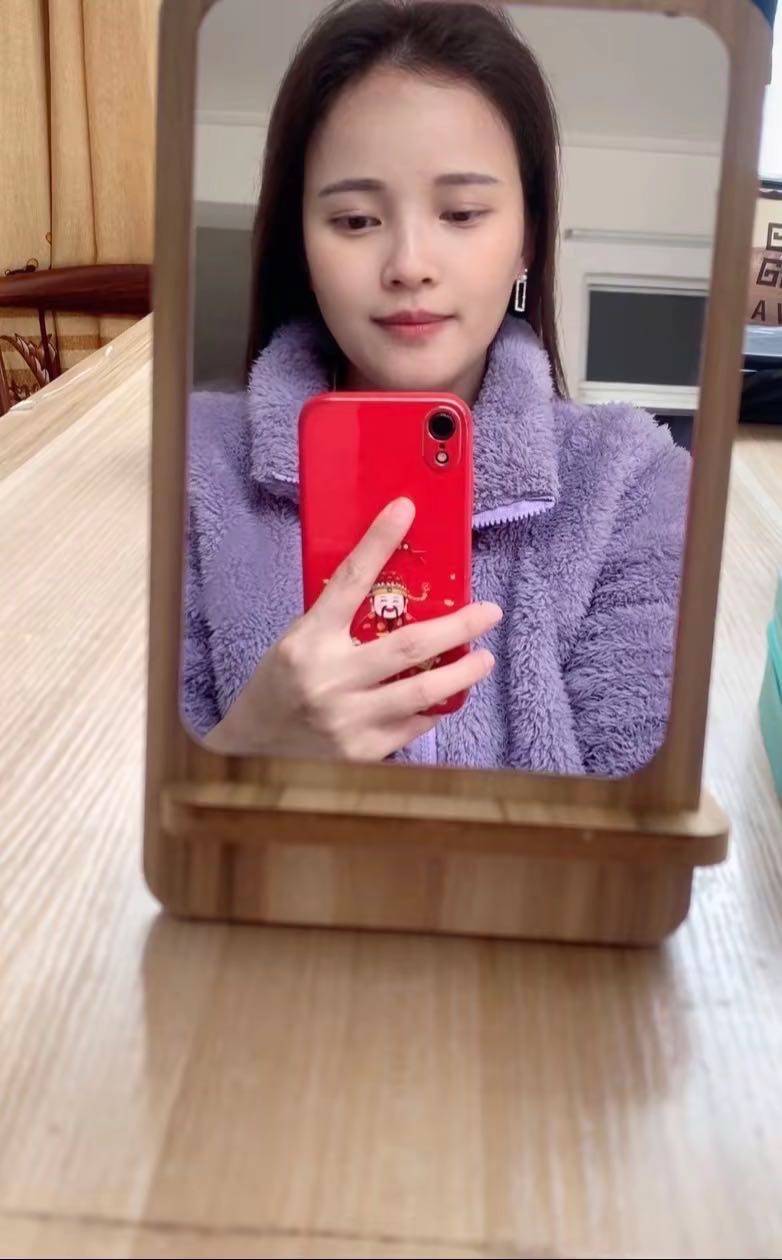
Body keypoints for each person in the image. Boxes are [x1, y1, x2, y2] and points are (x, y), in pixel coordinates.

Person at [182, 0, 691, 776]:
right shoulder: (192, 464)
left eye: (461, 212)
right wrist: (245, 758)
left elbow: (636, 814)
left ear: (526, 239)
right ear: (301, 246)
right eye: (356, 220)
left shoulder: (632, 481)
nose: (409, 265)